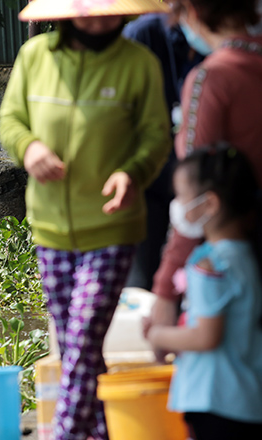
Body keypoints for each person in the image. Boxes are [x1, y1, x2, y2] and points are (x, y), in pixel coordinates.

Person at [0, 0, 171, 438]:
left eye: (110, 11)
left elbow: (155, 134)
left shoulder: (138, 63)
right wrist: (29, 148)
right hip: (50, 227)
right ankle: (99, 431)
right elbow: (11, 120)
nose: (100, 19)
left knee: (81, 340)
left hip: (113, 227)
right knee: (79, 346)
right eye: (90, 10)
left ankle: (65, 433)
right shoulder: (35, 57)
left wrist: (132, 172)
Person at [150, 0, 262, 337]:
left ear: (193, 13)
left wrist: (165, 289)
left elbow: (194, 197)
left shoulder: (211, 78)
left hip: (239, 255)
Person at [144, 146, 262, 439]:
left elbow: (206, 336)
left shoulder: (210, 264)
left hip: (214, 398)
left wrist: (157, 335)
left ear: (209, 203)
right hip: (247, 398)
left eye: (181, 196)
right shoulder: (246, 256)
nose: (177, 205)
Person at [122, 13, 204, 290]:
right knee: (141, 285)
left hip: (206, 184)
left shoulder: (223, 42)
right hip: (148, 176)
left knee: (202, 283)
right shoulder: (143, 35)